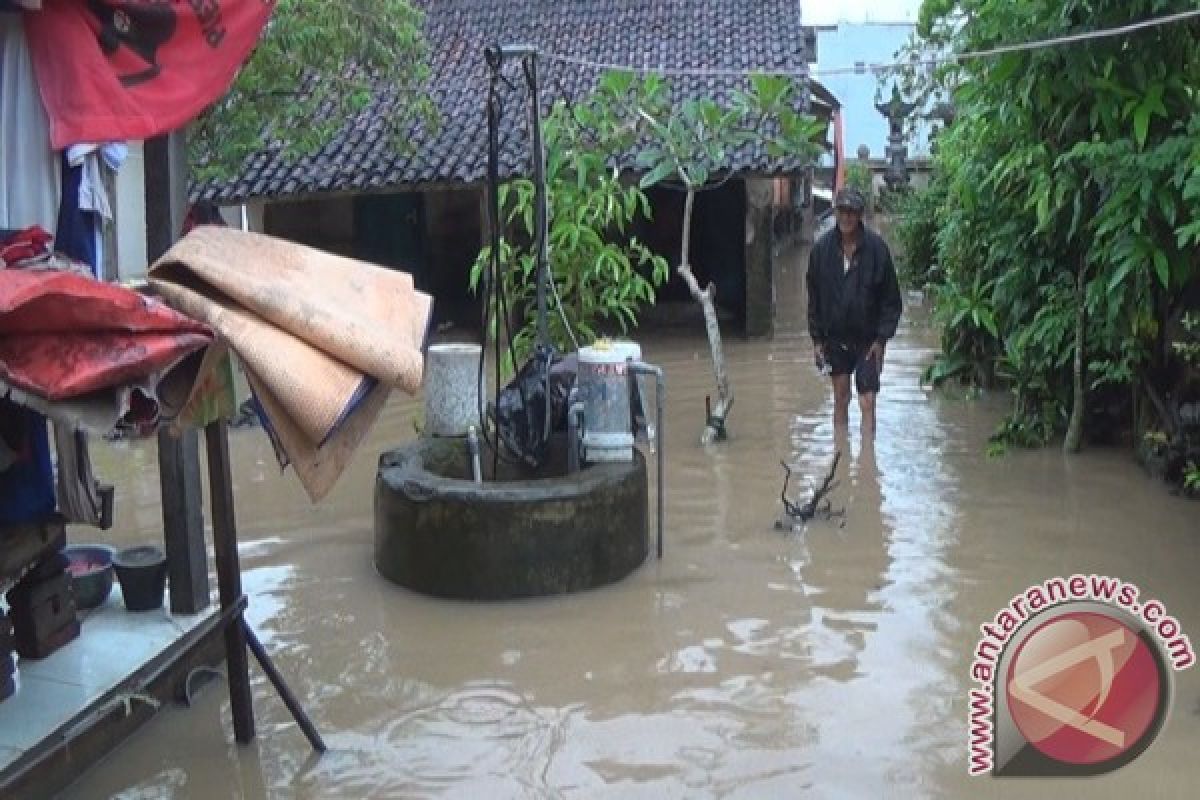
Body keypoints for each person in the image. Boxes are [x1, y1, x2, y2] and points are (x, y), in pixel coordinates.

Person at [807, 187, 902, 435]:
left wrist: (881, 339)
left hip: (868, 339)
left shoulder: (877, 250)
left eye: (853, 212)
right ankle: (841, 453)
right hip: (835, 338)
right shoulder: (821, 252)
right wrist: (817, 340)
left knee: (868, 401)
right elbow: (814, 298)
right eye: (843, 211)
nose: (847, 217)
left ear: (860, 215)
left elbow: (891, 299)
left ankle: (867, 462)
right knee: (840, 397)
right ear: (836, 213)